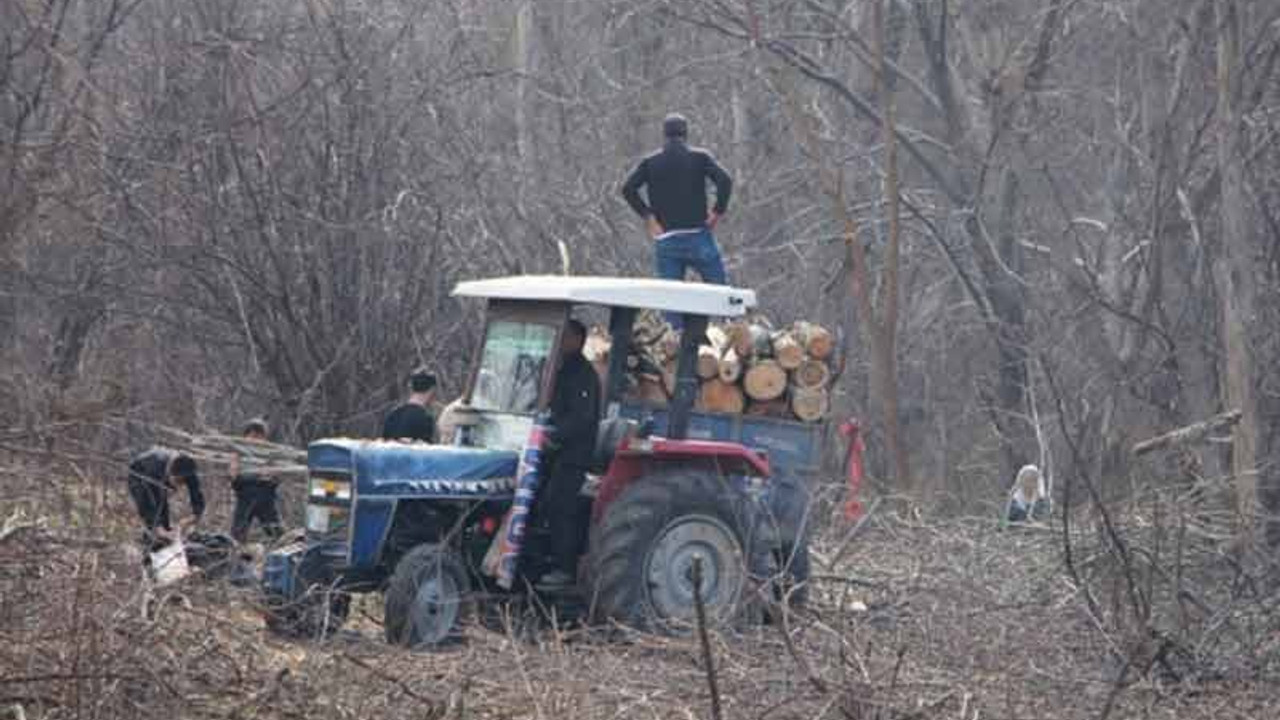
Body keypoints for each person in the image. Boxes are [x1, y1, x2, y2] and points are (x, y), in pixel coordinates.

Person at [621, 113, 734, 316]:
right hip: (698, 235)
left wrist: (649, 218)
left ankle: (674, 338)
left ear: (664, 135)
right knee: (721, 294)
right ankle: (730, 328)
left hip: (667, 238)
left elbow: (628, 189)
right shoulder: (700, 158)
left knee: (671, 300)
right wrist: (717, 211)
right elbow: (725, 181)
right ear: (685, 134)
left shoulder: (651, 162)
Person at [535, 319, 601, 589]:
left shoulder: (583, 375)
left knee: (559, 502)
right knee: (539, 498)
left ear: (578, 340)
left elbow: (581, 419)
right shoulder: (559, 369)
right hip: (555, 449)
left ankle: (564, 568)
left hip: (574, 454)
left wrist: (553, 435)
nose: (559, 341)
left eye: (564, 336)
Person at [126, 447, 205, 548]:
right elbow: (146, 502)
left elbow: (197, 495)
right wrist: (158, 527)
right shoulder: (154, 469)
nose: (179, 485)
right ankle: (152, 540)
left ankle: (165, 536)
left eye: (182, 482)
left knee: (164, 519)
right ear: (169, 472)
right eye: (177, 481)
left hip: (161, 474)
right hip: (138, 474)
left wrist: (192, 518)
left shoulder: (189, 470)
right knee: (157, 506)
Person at [229, 418, 283, 544]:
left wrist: (269, 476)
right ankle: (237, 555)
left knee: (275, 531)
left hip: (265, 495)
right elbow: (233, 473)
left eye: (259, 435)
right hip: (245, 494)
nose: (255, 439)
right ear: (246, 435)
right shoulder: (239, 451)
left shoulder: (270, 452)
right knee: (238, 532)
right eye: (252, 435)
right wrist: (237, 476)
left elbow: (275, 474)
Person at [382, 367, 437, 442]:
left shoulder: (392, 415)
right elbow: (426, 451)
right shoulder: (426, 419)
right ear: (432, 390)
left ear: (411, 387)